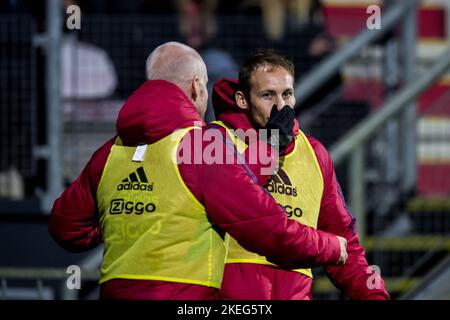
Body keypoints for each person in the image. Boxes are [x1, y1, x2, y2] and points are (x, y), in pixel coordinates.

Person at [49, 42, 348, 300]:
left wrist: (134, 219)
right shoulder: (201, 146)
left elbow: (65, 226)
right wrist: (331, 246)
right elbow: (265, 225)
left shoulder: (109, 152)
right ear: (195, 87)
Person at [212, 50, 390, 300]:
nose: (281, 106)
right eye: (267, 95)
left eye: (287, 94)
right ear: (243, 99)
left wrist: (374, 295)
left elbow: (344, 243)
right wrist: (271, 145)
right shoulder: (216, 140)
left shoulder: (315, 154)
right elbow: (234, 199)